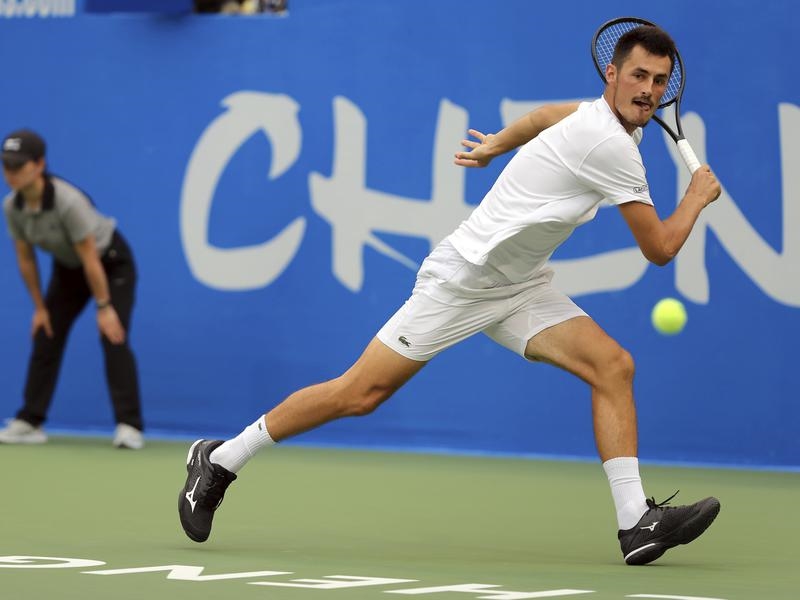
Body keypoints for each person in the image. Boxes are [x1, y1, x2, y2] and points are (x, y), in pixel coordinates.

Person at [178, 25, 722, 565]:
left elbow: (542, 117)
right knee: (360, 393)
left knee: (612, 366)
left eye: (659, 80)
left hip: (520, 285)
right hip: (463, 280)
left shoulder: (603, 121)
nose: (649, 90)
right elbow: (659, 249)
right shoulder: (610, 145)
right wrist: (696, 196)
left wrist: (495, 146)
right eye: (638, 76)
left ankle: (634, 520)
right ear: (612, 73)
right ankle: (220, 459)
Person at [0, 129, 145, 450]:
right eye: (6, 165)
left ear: (39, 165)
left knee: (113, 335)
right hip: (69, 269)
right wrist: (40, 308)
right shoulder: (12, 207)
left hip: (110, 263)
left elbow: (90, 258)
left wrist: (104, 307)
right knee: (46, 332)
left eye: (18, 165)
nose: (10, 172)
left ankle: (129, 426)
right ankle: (30, 422)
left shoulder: (68, 201)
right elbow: (26, 259)